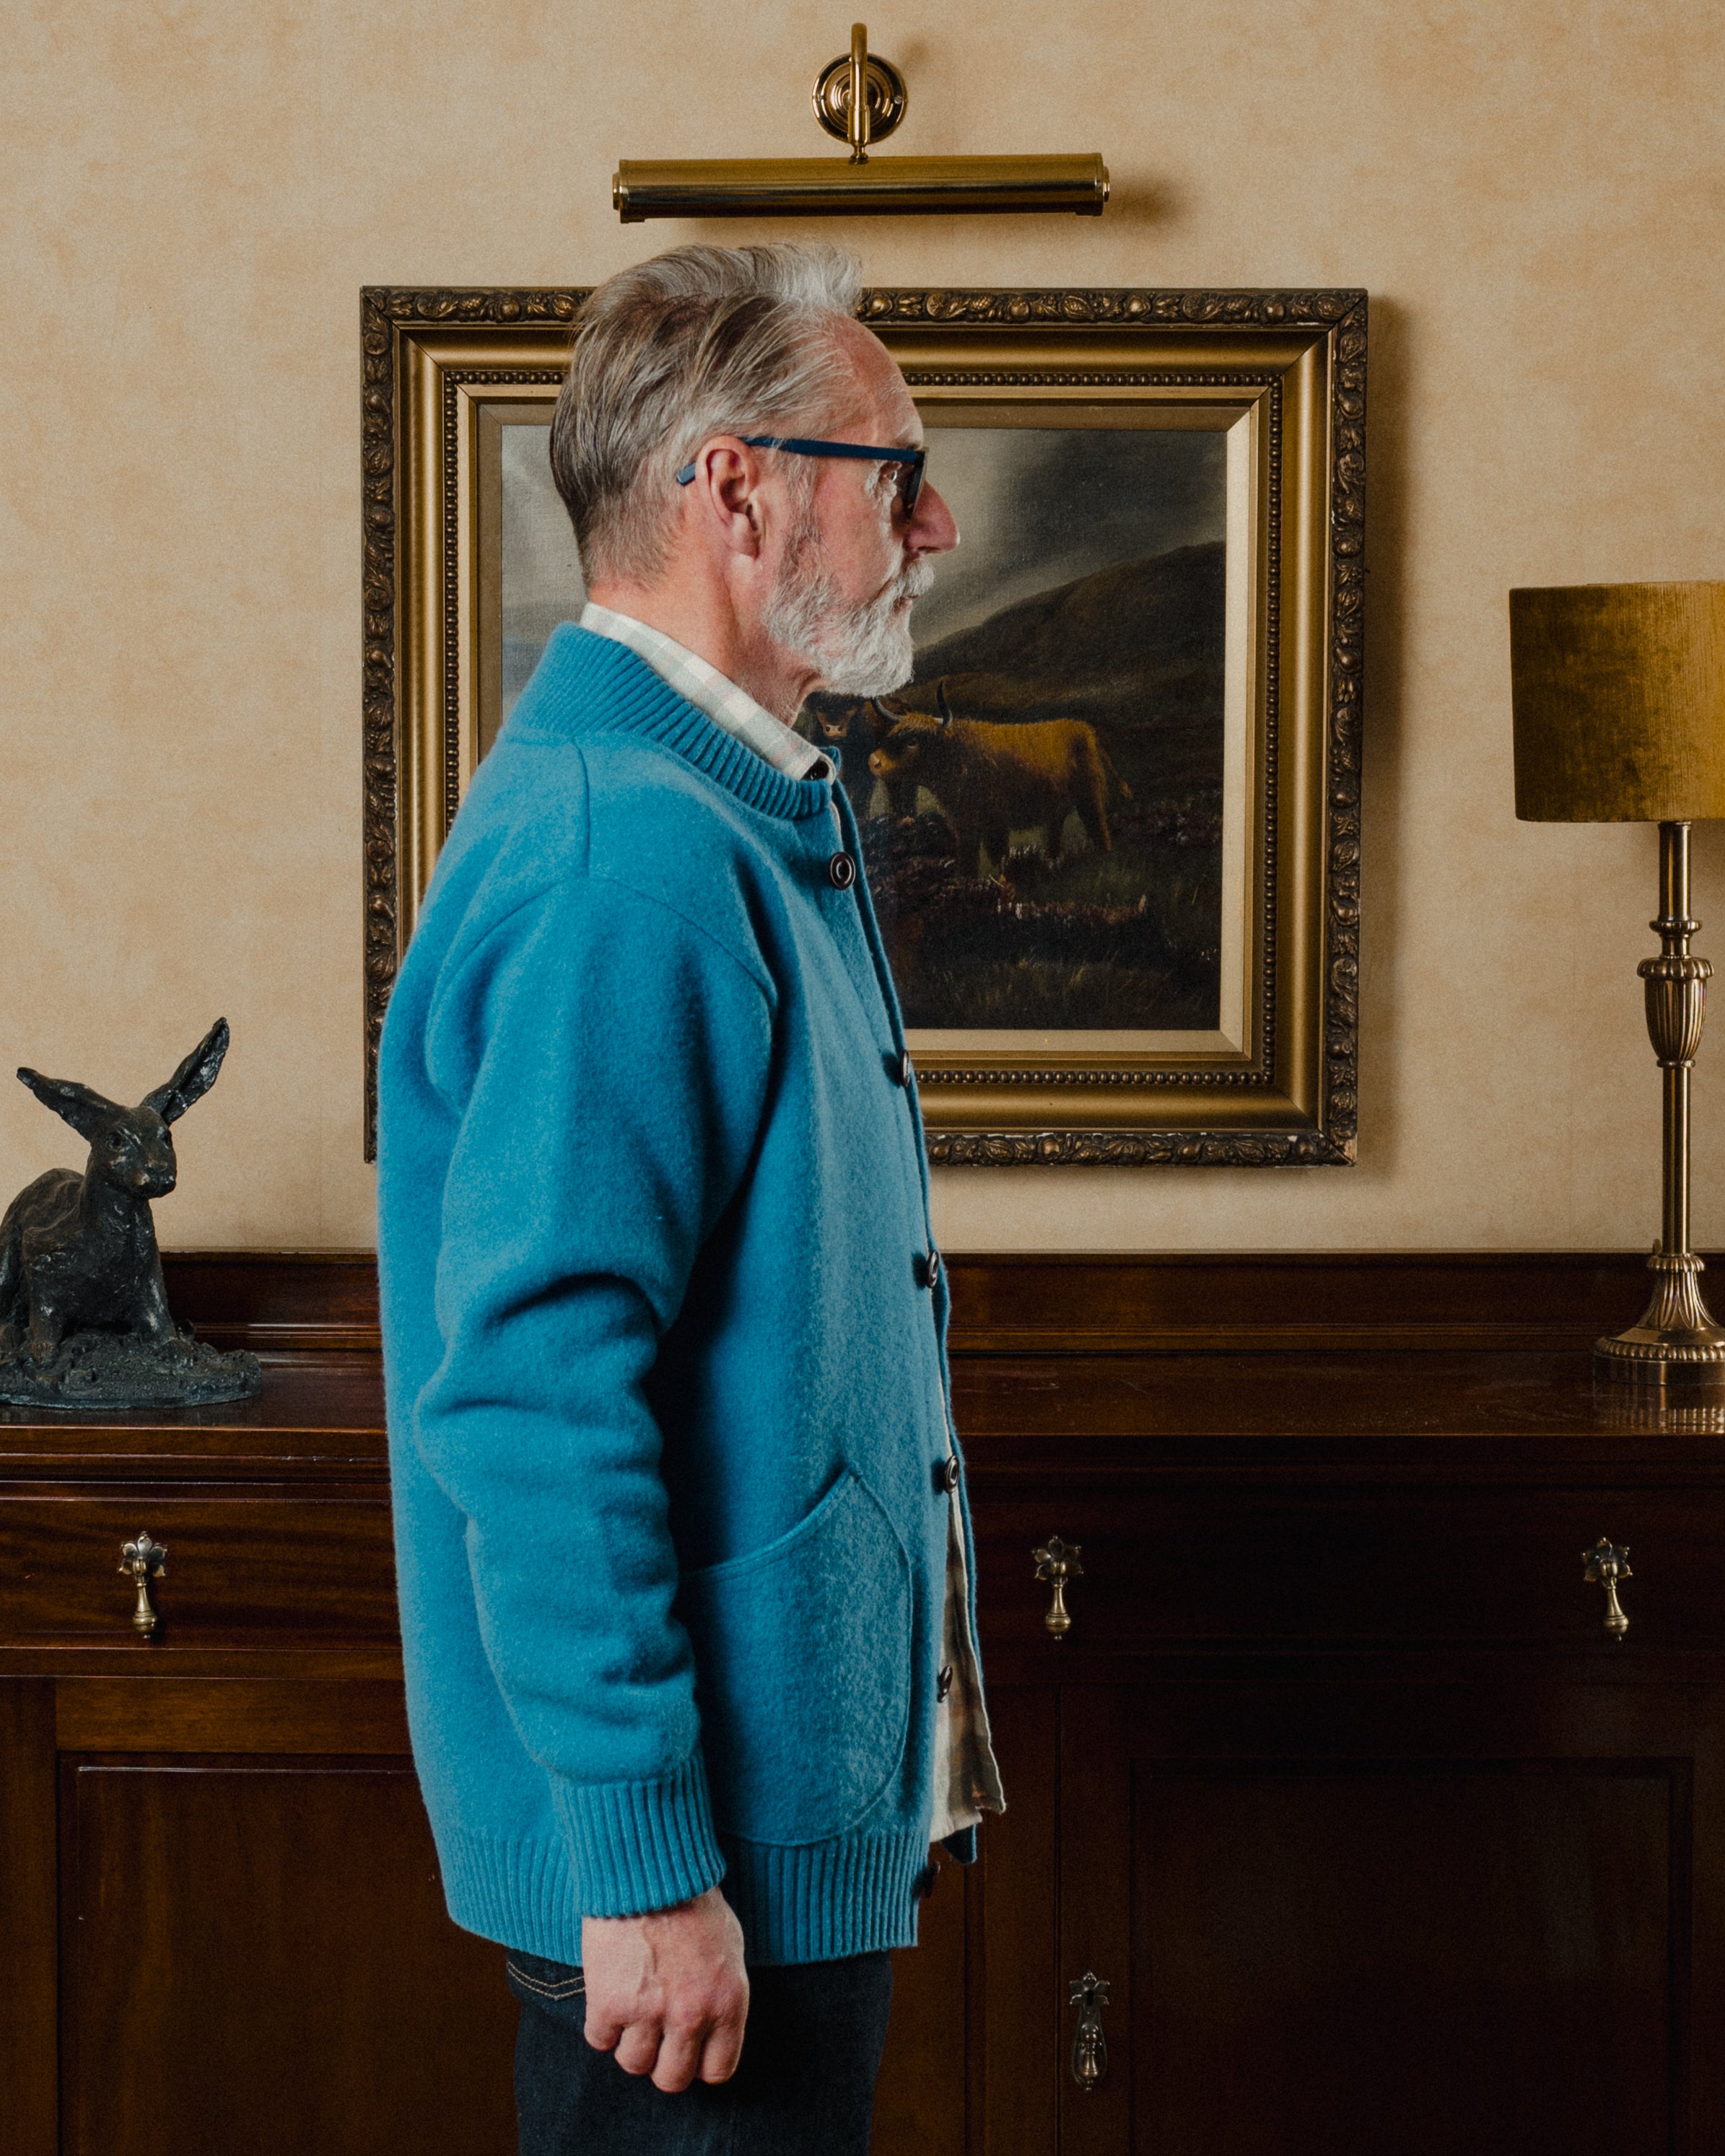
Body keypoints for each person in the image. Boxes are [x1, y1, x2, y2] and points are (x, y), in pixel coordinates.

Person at [376, 243, 1004, 2155]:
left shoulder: (719, 806)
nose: (938, 521)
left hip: (738, 1847)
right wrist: (645, 1866)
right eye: (891, 469)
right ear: (736, 488)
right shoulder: (622, 853)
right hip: (680, 1883)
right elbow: (536, 1396)